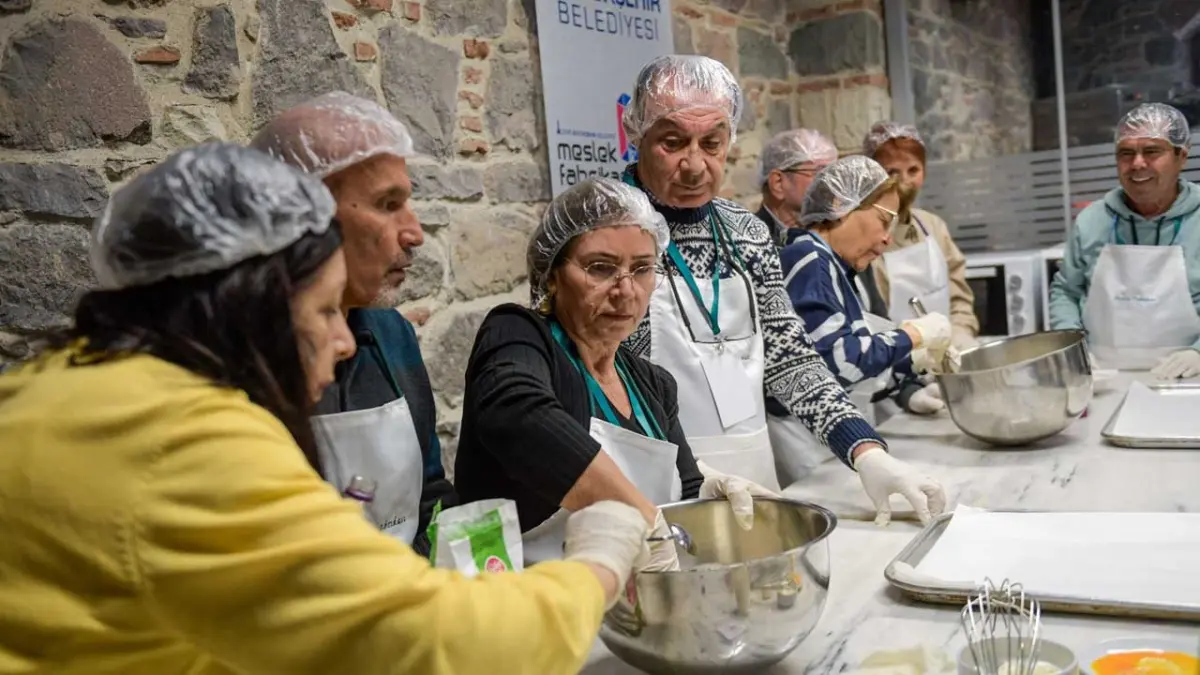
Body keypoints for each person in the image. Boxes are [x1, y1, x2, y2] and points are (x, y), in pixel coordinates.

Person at [0, 143, 651, 675]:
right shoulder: (182, 438)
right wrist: (595, 567)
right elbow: (443, 643)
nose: (343, 340)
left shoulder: (53, 383)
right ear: (249, 306)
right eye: (321, 311)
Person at [617, 54, 946, 526]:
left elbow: (790, 358)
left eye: (712, 143)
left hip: (755, 476)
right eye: (673, 142)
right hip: (653, 488)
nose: (694, 165)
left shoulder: (746, 234)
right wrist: (689, 473)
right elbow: (601, 385)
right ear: (638, 135)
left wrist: (865, 449)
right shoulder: (607, 231)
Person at [455, 177, 776, 568]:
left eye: (642, 269)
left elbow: (684, 486)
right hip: (527, 603)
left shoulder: (652, 385)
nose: (626, 292)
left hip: (628, 609)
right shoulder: (519, 336)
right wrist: (643, 518)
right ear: (552, 275)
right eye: (601, 268)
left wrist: (709, 489)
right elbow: (517, 414)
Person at [251, 92, 455, 555]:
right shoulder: (242, 363)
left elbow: (429, 498)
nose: (416, 233)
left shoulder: (393, 335)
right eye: (388, 204)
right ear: (306, 217)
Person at [780, 155, 955, 430]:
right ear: (841, 205)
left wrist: (910, 363)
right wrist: (913, 335)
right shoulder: (809, 260)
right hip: (808, 440)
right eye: (884, 221)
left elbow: (850, 345)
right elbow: (843, 362)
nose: (887, 238)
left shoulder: (835, 267)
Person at [1050, 103, 1200, 377]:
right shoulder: (1091, 221)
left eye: (1152, 151)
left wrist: (1199, 353)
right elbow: (1066, 291)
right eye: (1126, 153)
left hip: (1190, 381)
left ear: (1182, 156)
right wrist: (1072, 348)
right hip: (1103, 378)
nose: (1137, 163)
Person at [863, 121, 980, 350]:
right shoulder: (865, 238)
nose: (904, 181)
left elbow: (959, 299)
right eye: (892, 172)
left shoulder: (933, 226)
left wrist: (960, 338)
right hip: (893, 363)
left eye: (913, 170)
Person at [755, 129, 838, 246]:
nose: (833, 183)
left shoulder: (835, 233)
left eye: (833, 173)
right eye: (820, 173)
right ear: (778, 183)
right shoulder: (753, 244)